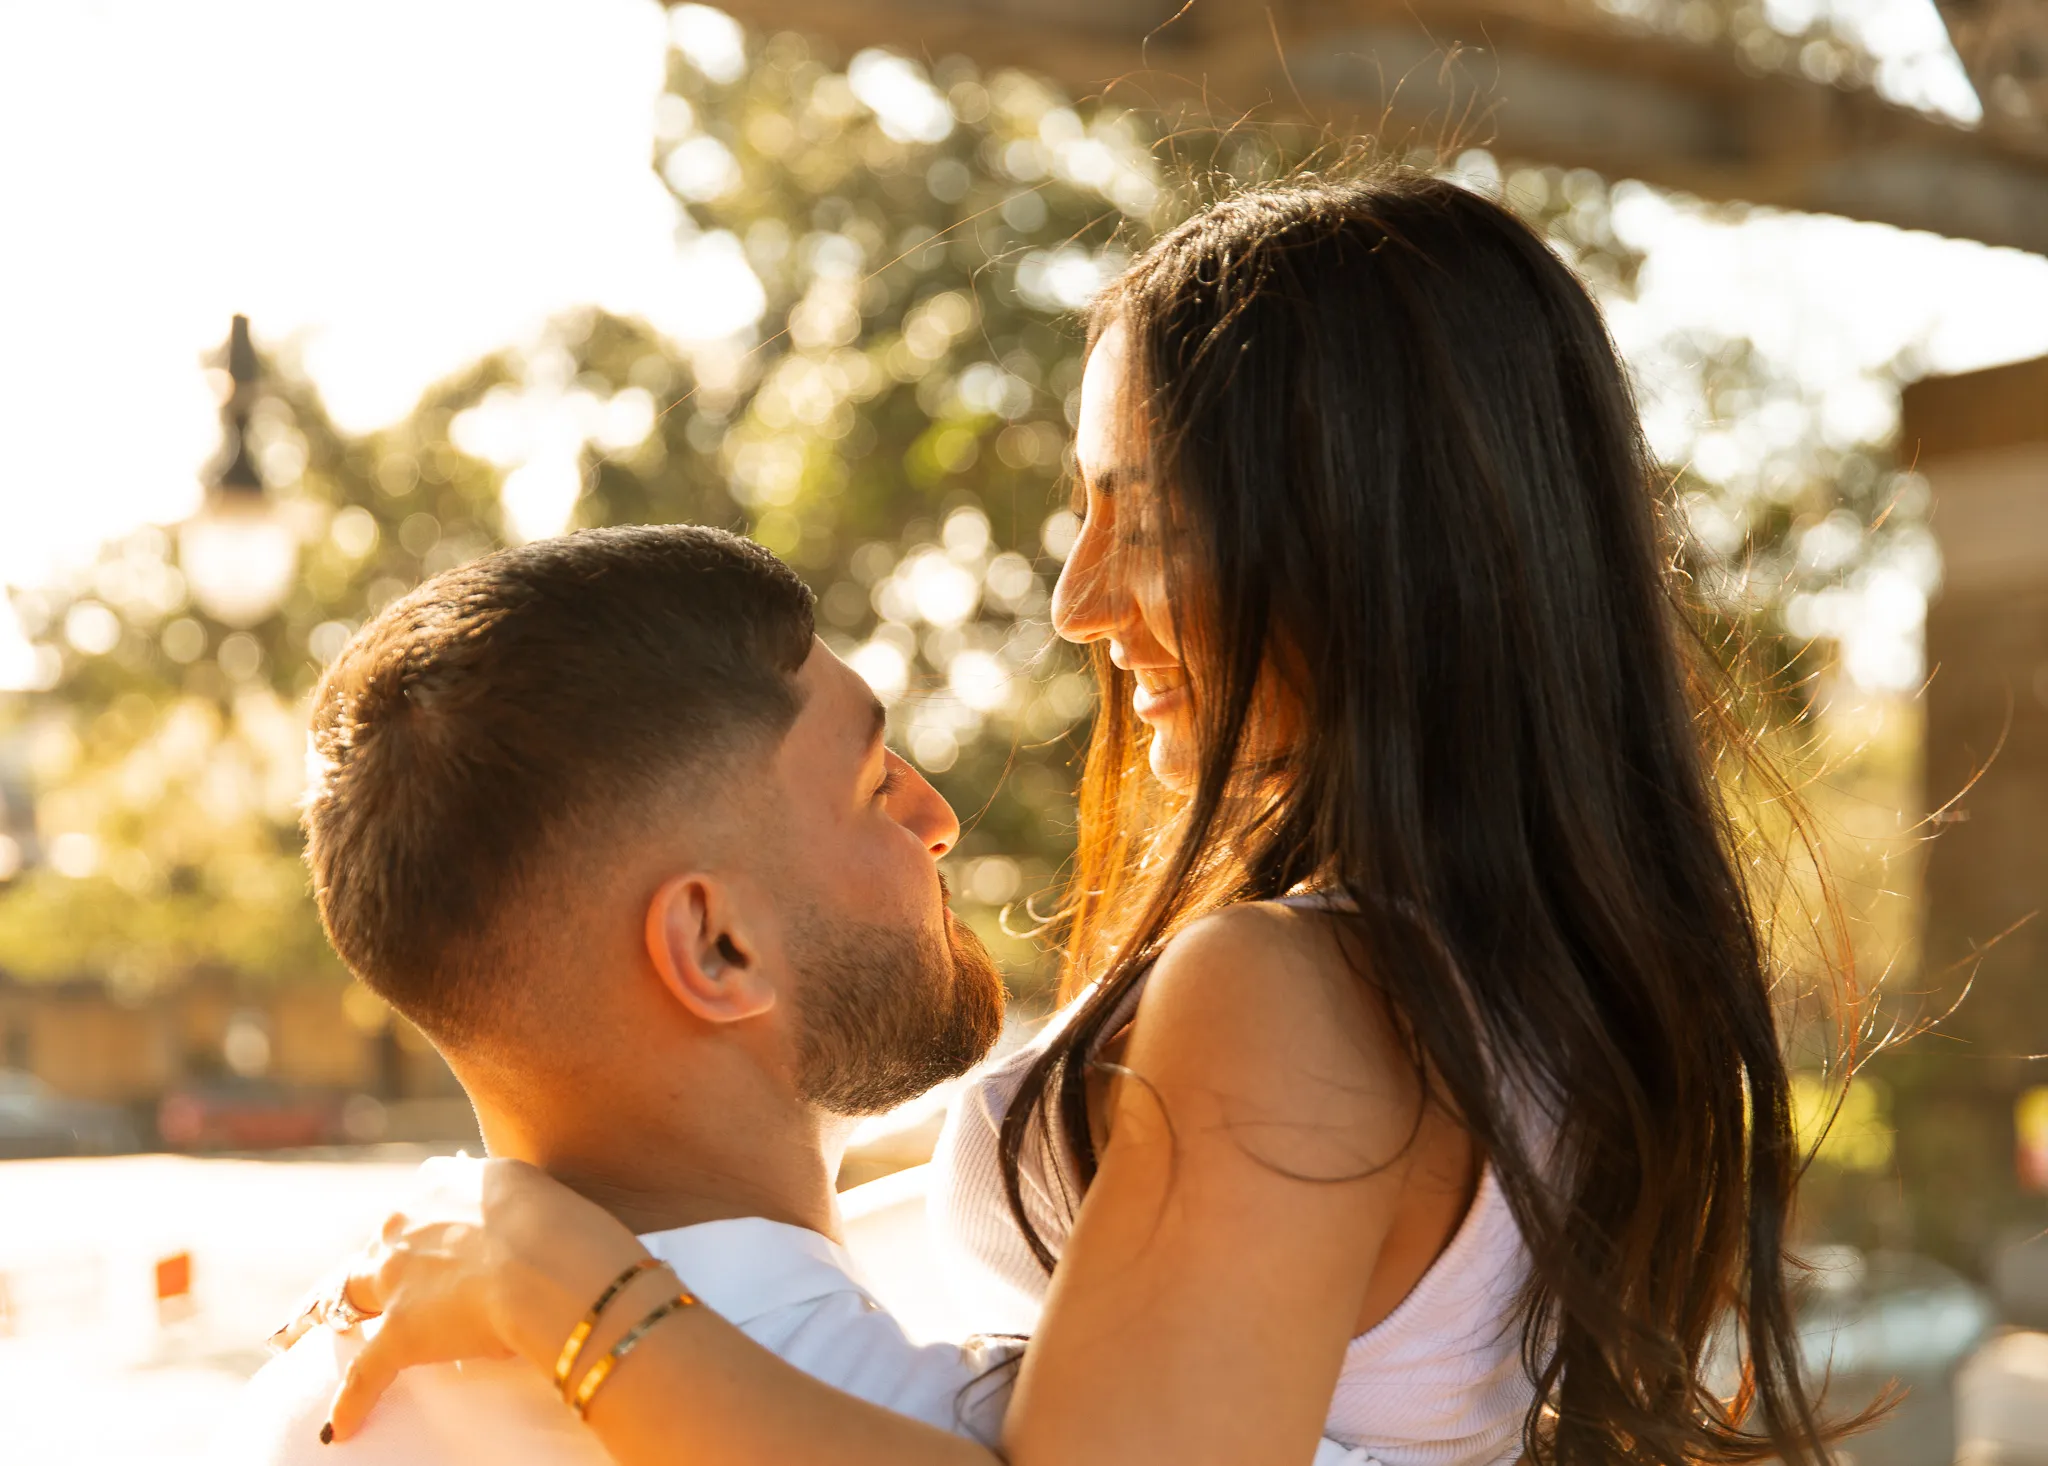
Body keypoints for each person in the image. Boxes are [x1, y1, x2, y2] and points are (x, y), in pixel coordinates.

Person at [300, 170, 1847, 1466]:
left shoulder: (1293, 995)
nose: (1075, 598)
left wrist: (562, 1281)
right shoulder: (1497, 978)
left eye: (1148, 518)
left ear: (1369, 545)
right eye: (1079, 511)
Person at [229, 521, 1364, 1466]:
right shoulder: (1016, 1430)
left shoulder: (297, 1409)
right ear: (717, 946)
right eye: (874, 783)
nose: (937, 816)